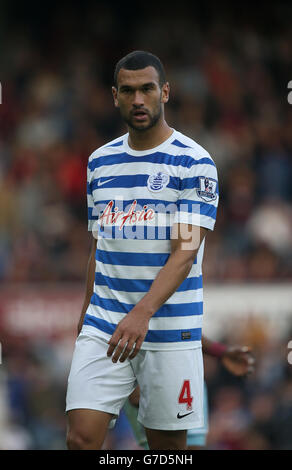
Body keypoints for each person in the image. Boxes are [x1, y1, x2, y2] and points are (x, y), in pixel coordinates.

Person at [65, 50, 219, 450]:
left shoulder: (194, 162)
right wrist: (84, 315)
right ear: (114, 96)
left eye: (147, 89)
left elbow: (185, 253)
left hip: (169, 328)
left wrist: (142, 313)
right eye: (128, 91)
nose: (138, 100)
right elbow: (98, 246)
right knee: (80, 438)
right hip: (106, 325)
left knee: (166, 450)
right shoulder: (100, 162)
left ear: (164, 92)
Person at [123, 335, 255, 450]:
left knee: (190, 446)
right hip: (149, 373)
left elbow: (185, 325)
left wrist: (221, 352)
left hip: (187, 374)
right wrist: (139, 372)